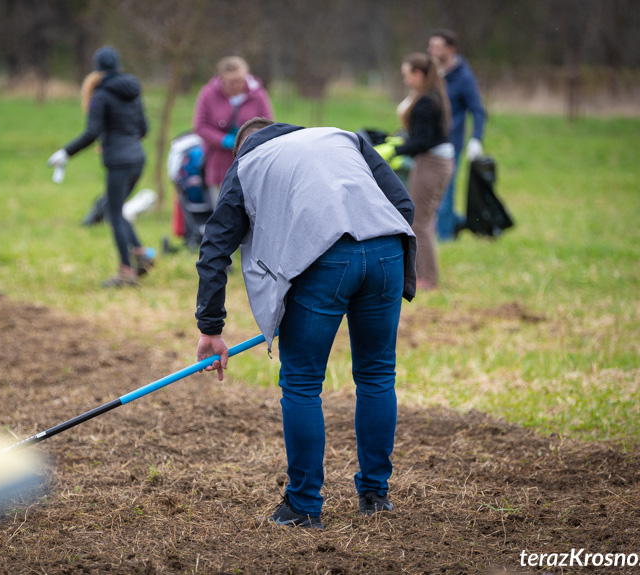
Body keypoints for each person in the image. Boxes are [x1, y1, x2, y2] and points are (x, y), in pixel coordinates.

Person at [194, 117, 417, 529]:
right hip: (387, 251)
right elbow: (403, 206)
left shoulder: (246, 164)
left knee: (301, 383)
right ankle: (375, 494)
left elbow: (215, 249)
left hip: (323, 262)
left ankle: (304, 506)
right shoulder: (343, 135)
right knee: (376, 376)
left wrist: (211, 328)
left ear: (244, 145)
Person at [48, 46, 152, 288]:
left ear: (98, 68)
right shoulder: (134, 91)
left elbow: (91, 133)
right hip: (138, 159)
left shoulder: (101, 95)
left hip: (119, 161)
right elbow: (144, 129)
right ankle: (141, 253)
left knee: (112, 213)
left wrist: (65, 153)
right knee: (115, 207)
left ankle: (126, 272)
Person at [378, 53, 454, 290]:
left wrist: (396, 150)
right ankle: (422, 274)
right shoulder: (433, 97)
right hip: (437, 162)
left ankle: (427, 279)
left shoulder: (425, 102)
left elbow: (424, 141)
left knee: (419, 221)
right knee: (422, 220)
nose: (406, 80)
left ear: (418, 74)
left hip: (431, 163)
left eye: (407, 75)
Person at [427, 28, 486, 241]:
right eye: (430, 46)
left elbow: (478, 110)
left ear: (450, 50)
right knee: (429, 192)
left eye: (436, 47)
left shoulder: (463, 77)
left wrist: (476, 139)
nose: (430, 50)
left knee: (445, 192)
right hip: (427, 143)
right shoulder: (432, 73)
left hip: (451, 145)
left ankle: (444, 238)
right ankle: (457, 223)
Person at [193, 56, 274, 200]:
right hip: (218, 164)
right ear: (221, 79)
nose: (236, 85)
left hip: (251, 163)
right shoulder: (208, 94)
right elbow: (200, 126)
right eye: (231, 82)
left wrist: (247, 139)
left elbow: (268, 125)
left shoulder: (258, 94)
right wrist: (223, 140)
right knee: (221, 209)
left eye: (240, 80)